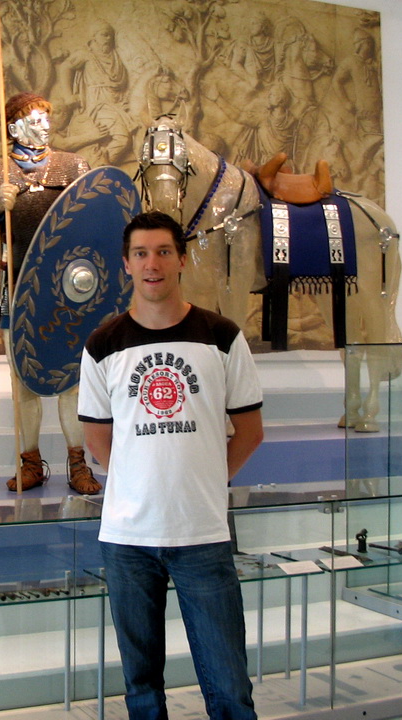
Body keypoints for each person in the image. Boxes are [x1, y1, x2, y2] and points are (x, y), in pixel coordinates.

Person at [78, 211, 264, 720]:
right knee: (141, 687)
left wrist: (201, 481)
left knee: (228, 685)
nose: (152, 264)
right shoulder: (102, 346)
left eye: (163, 252)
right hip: (127, 538)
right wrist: (142, 480)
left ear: (181, 259)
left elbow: (250, 432)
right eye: (141, 254)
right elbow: (95, 437)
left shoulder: (222, 336)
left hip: (203, 534)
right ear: (126, 264)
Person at [0, 92, 100, 495]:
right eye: (36, 120)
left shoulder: (74, 167)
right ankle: (30, 462)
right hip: (18, 287)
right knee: (23, 381)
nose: (46, 126)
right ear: (13, 128)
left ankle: (78, 463)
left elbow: (96, 221)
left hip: (67, 292)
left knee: (71, 380)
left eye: (47, 119)